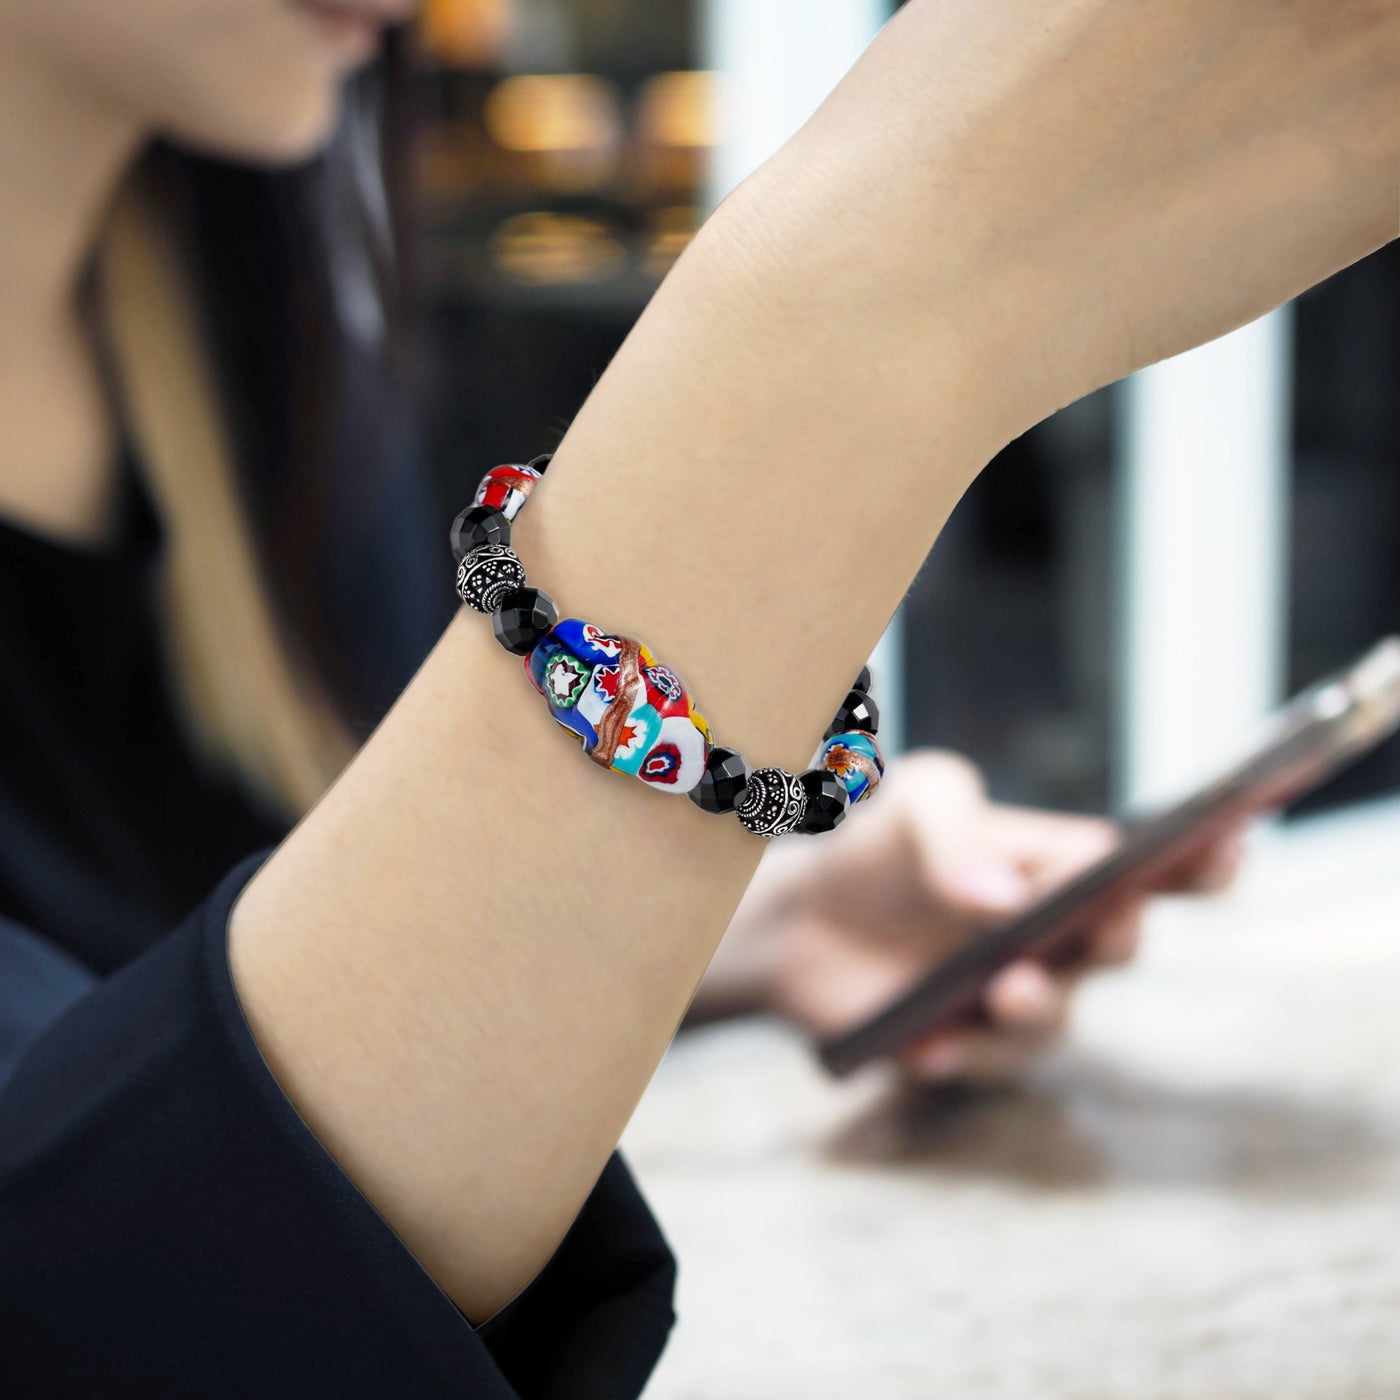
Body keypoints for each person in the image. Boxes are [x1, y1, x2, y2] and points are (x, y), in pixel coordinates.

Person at [0, 0, 1392, 1393]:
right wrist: (877, 293)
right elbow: (112, 1303)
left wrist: (756, 926)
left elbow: (222, 969)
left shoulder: (260, 348)